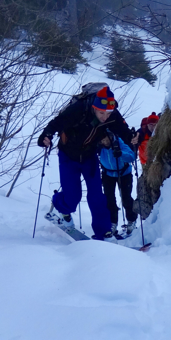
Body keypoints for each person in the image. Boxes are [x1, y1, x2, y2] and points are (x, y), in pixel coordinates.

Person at [37, 84, 135, 240]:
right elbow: (57, 123)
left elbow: (124, 131)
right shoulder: (79, 109)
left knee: (97, 196)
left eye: (108, 113)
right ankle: (60, 206)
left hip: (89, 157)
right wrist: (46, 136)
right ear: (94, 107)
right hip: (68, 156)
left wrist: (132, 138)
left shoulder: (112, 114)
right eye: (101, 113)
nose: (105, 117)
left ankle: (103, 232)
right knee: (72, 197)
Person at [98, 132, 138, 237]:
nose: (105, 142)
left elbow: (132, 156)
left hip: (124, 173)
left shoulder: (119, 143)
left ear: (111, 137)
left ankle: (131, 220)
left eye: (107, 139)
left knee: (126, 198)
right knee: (109, 199)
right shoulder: (99, 147)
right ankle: (112, 223)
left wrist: (121, 154)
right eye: (103, 140)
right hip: (107, 174)